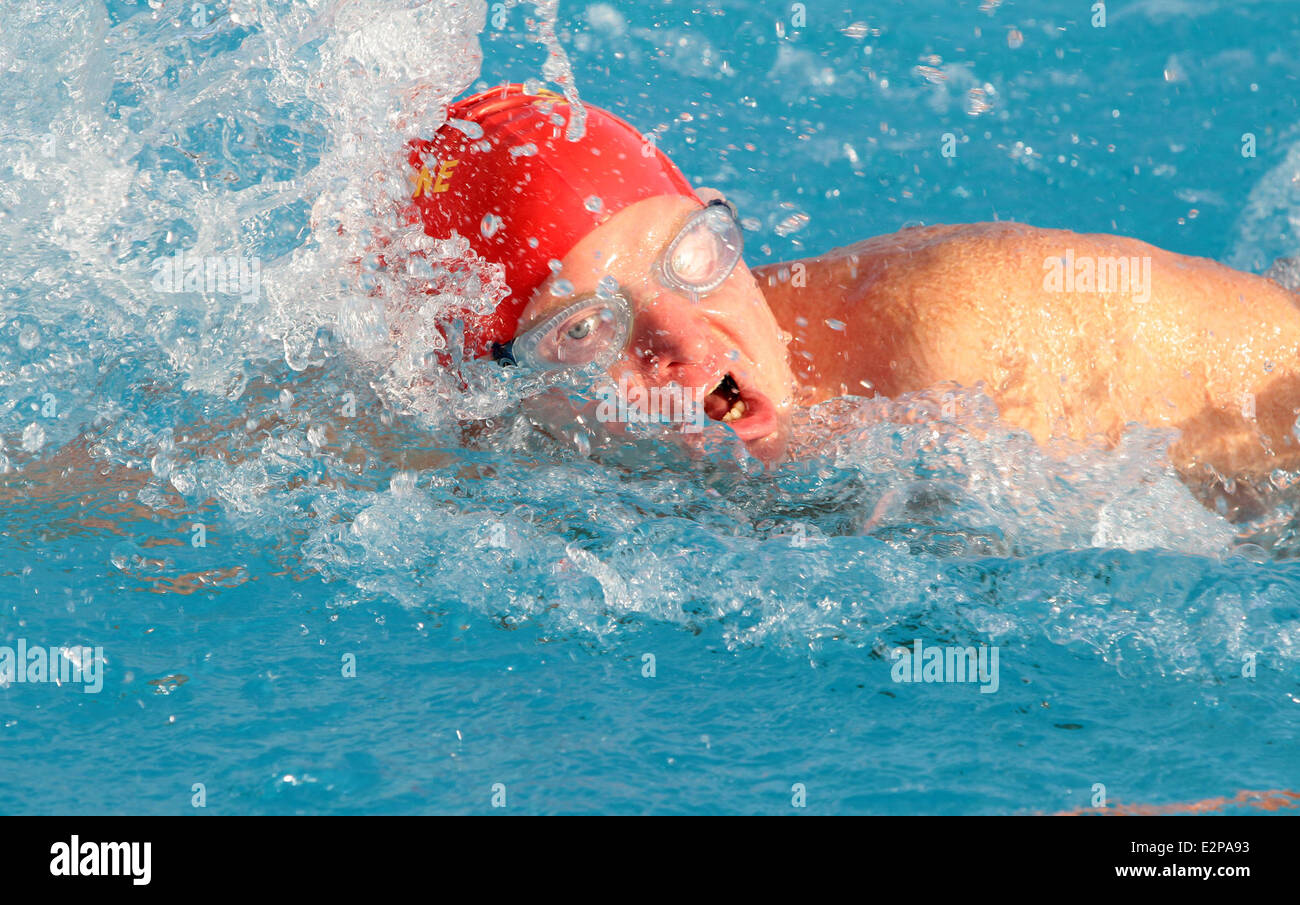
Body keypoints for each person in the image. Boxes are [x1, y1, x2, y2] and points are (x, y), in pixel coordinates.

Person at [405, 83, 1300, 493]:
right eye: (582, 332)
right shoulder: (474, 463)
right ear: (486, 393)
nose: (689, 340)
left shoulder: (959, 330)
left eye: (691, 258)